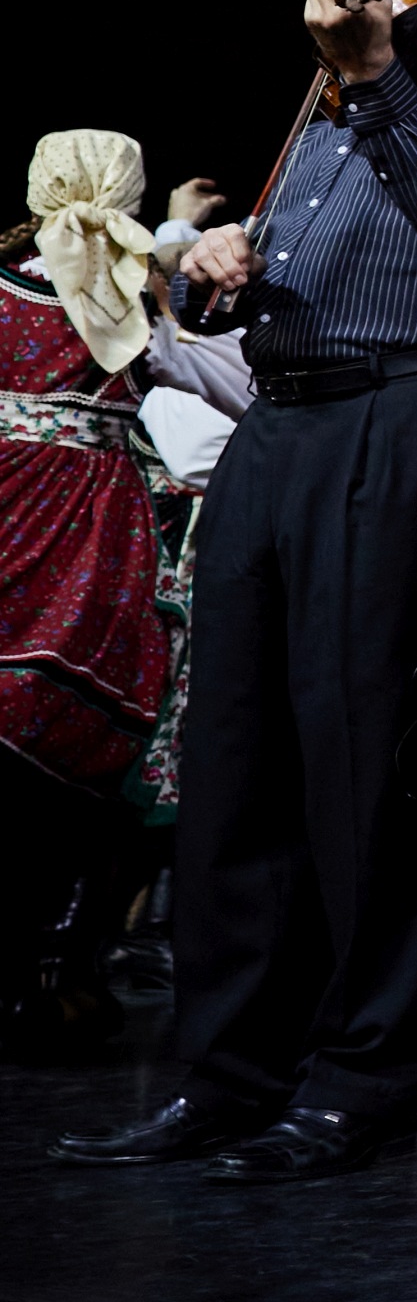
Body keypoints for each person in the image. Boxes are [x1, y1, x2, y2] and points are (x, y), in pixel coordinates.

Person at [55, 0, 417, 1183]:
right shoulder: (324, 113)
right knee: (235, 759)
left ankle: (363, 1084)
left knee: (374, 761)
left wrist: (379, 80)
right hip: (279, 425)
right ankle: (229, 1076)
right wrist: (212, 272)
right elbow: (262, 293)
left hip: (409, 415)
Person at [4, 135, 205, 1066]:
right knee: (84, 752)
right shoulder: (133, 293)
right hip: (89, 532)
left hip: (14, 508)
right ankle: (53, 968)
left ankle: (51, 965)